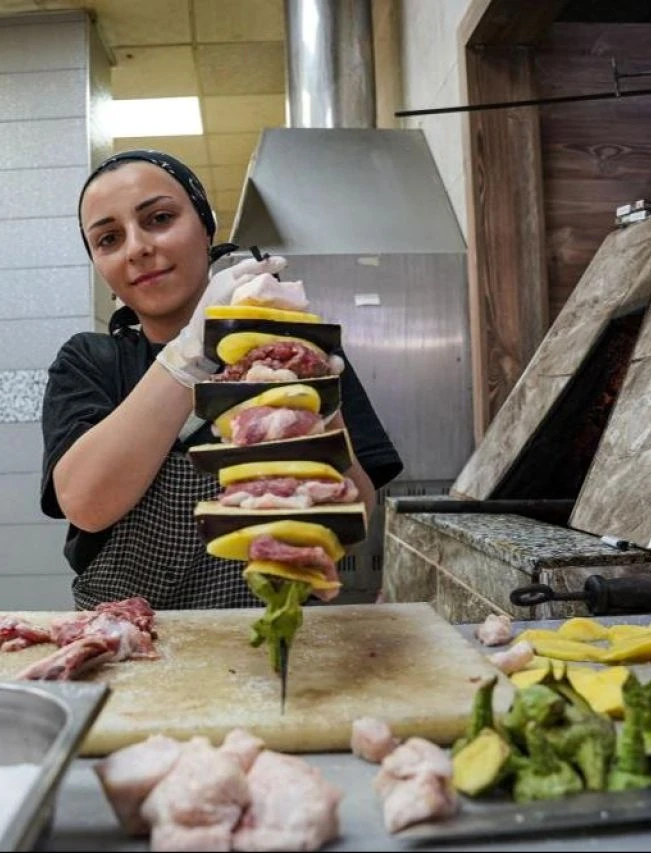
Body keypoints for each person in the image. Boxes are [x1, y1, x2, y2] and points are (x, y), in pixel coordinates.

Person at [41, 149, 402, 610]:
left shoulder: (296, 346)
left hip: (267, 626)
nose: (136, 248)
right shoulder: (90, 361)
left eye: (159, 218)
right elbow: (86, 505)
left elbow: (356, 512)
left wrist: (303, 380)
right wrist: (190, 355)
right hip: (126, 635)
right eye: (109, 239)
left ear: (206, 226)